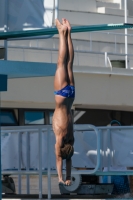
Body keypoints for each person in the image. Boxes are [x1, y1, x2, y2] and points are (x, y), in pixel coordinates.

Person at [52, 18, 75, 186]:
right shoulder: (61, 136)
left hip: (71, 95)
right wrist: (60, 178)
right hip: (61, 95)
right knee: (61, 63)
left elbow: (68, 161)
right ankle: (62, 32)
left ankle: (68, 33)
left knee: (69, 64)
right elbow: (60, 159)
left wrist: (68, 177)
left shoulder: (71, 137)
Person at [103, 119, 130, 195]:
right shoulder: (106, 139)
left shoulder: (125, 141)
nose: (114, 129)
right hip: (107, 174)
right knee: (107, 196)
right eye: (112, 127)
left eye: (116, 127)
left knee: (124, 196)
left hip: (120, 174)